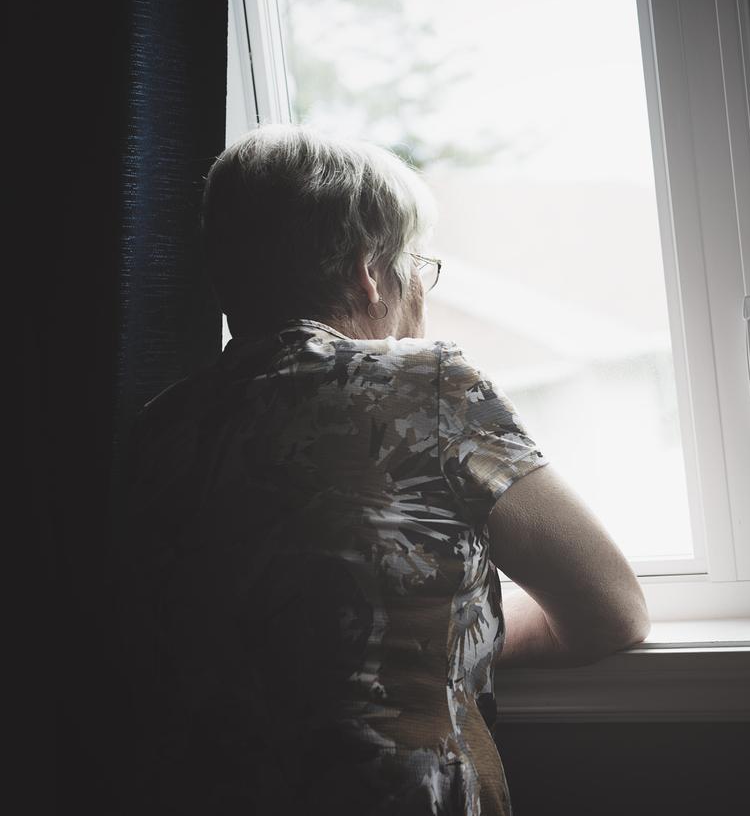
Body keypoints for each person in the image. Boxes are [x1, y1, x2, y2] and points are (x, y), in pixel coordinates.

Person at [117, 122, 651, 816]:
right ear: (371, 272)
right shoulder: (429, 385)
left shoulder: (158, 427)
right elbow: (612, 611)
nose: (419, 289)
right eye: (416, 264)